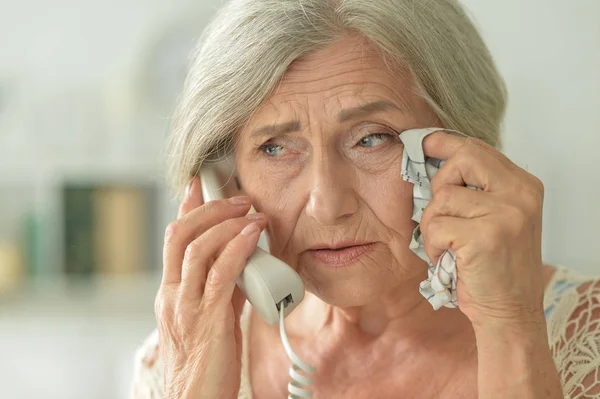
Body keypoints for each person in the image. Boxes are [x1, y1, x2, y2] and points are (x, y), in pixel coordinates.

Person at [130, 0, 600, 398]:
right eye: (275, 148)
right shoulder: (178, 358)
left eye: (372, 139)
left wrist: (512, 330)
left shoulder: (586, 337)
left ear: (466, 146)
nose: (328, 205)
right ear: (225, 183)